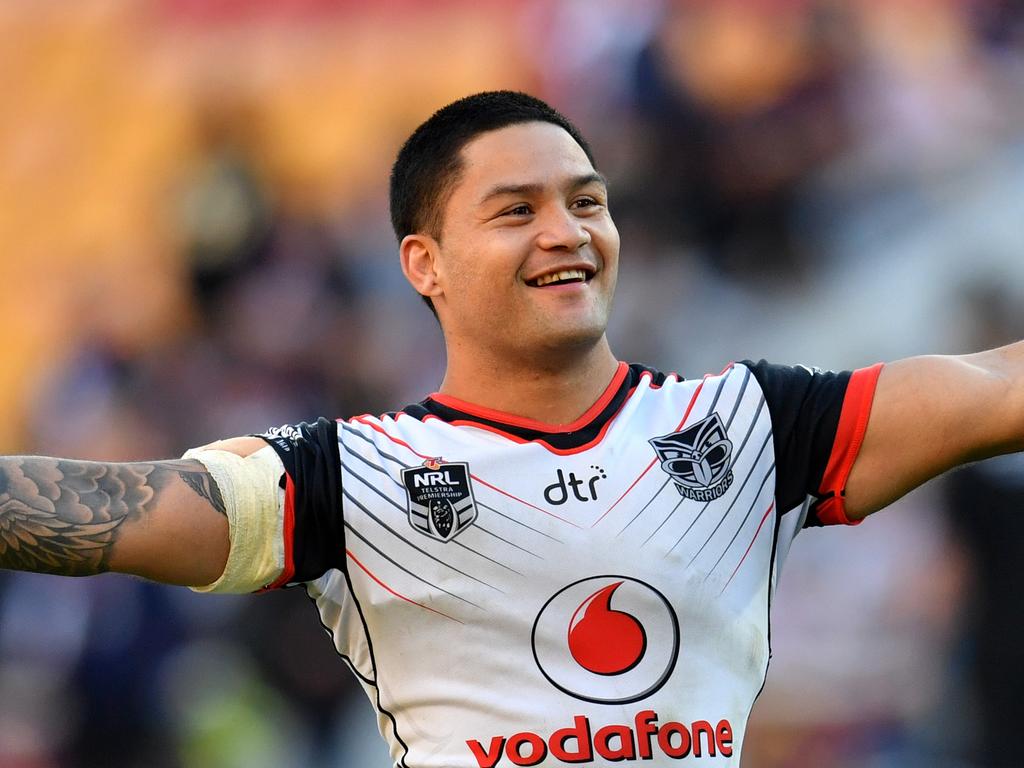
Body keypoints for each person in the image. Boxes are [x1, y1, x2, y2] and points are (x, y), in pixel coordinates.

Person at [1, 90, 1022, 768]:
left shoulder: (748, 425)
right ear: (423, 263)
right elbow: (111, 510)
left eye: (587, 201)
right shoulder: (349, 476)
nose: (567, 231)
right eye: (515, 209)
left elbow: (990, 392)